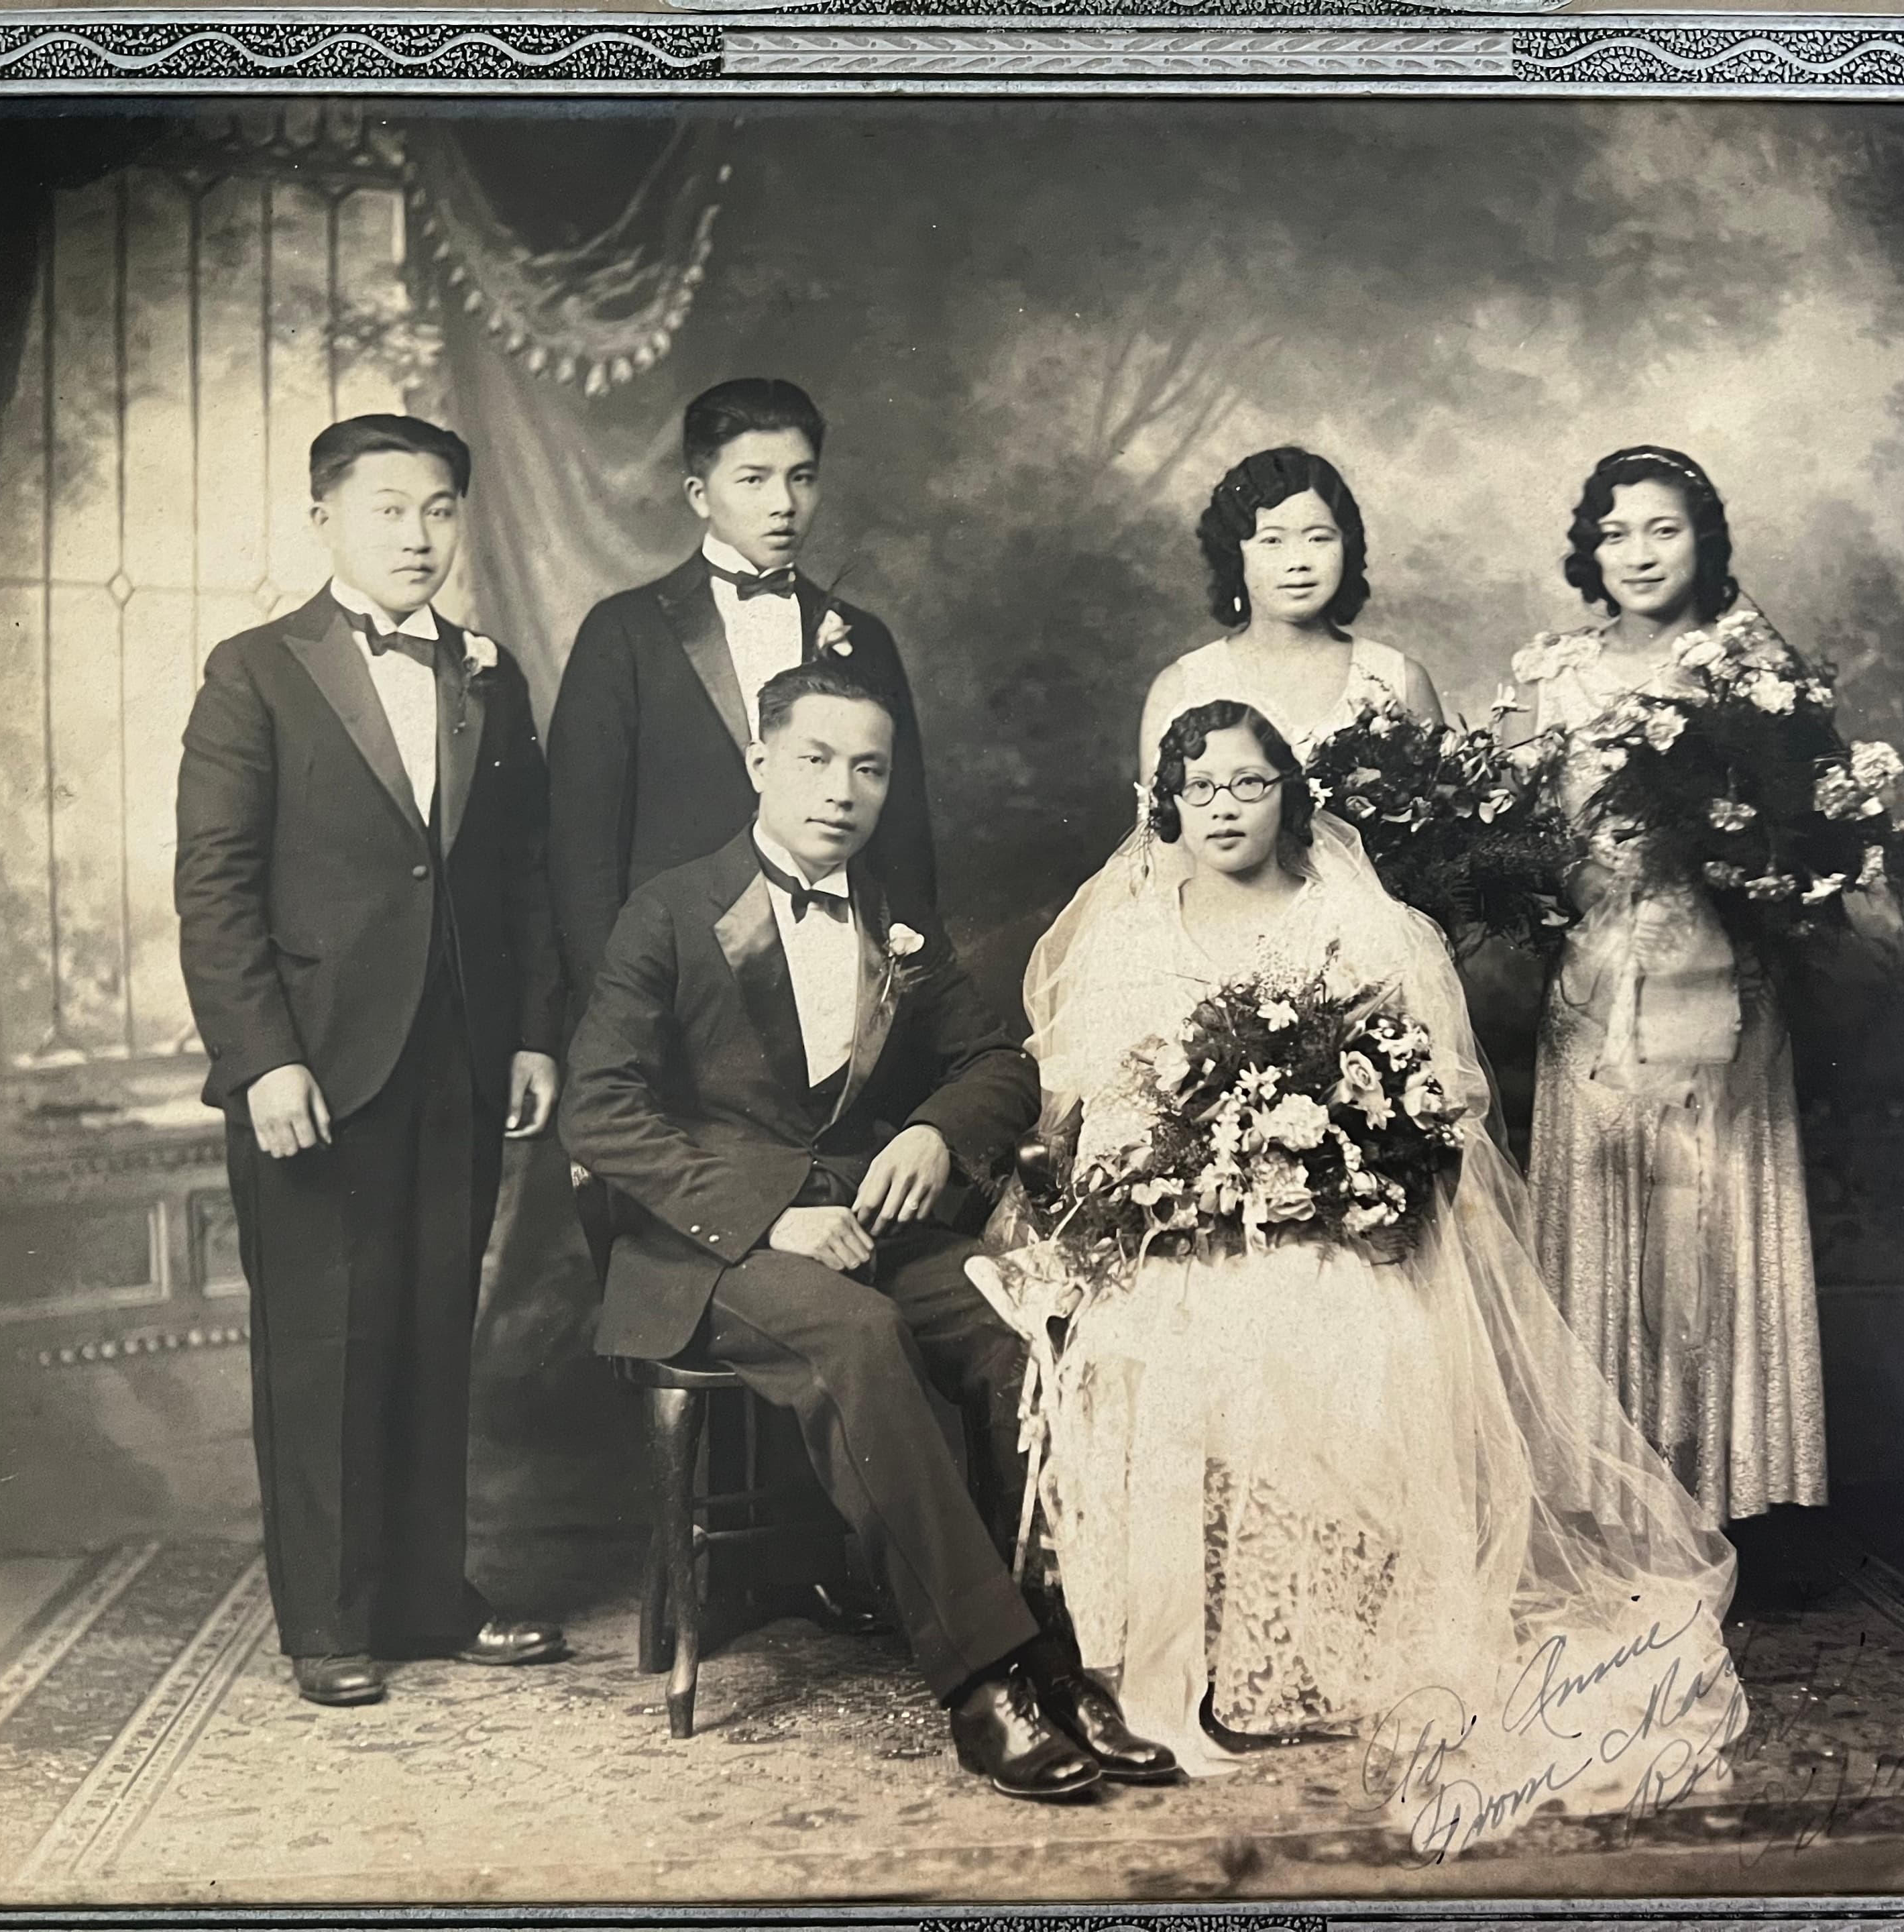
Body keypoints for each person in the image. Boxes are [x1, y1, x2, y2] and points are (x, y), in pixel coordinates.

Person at [989, 699, 1744, 1849]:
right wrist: (1194, 1183)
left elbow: (1435, 1104)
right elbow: (1099, 1112)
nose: (1228, 808)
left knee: (1339, 1314)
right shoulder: (1134, 933)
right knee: (1170, 1331)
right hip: (1181, 1231)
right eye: (1203, 790)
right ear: (1169, 808)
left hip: (1336, 1226)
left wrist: (1335, 1174)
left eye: (1251, 784)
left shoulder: (1360, 923)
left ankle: (1324, 1654)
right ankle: (1180, 1654)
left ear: (1293, 796)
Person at [559, 662, 1178, 1803]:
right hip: (713, 1246)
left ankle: (1063, 1647)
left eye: (869, 767)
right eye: (814, 759)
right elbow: (597, 1106)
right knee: (859, 1338)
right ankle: (988, 1676)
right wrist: (769, 1220)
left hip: (865, 1221)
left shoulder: (893, 917)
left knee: (1020, 1323)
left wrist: (939, 1134)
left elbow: (998, 1060)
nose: (842, 789)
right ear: (759, 763)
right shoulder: (672, 908)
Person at [174, 414, 568, 1707]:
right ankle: (329, 1626)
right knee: (324, 1344)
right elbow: (215, 891)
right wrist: (262, 1061)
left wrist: (527, 1034)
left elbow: (520, 875)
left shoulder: (489, 675)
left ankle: (426, 1597)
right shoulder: (255, 671)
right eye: (390, 507)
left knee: (428, 1336)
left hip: (457, 1058)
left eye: (441, 508)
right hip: (312, 1074)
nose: (418, 534)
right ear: (324, 519)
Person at [545, 376, 928, 1631]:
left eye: (803, 477)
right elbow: (581, 850)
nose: (784, 503)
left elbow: (905, 849)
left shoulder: (857, 635)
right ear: (700, 490)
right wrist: (612, 1031)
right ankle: (715, 1576)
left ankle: (821, 1556)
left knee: (851, 1271)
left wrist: (902, 1010)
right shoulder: (628, 630)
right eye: (757, 479)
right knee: (743, 1258)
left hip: (826, 1022)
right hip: (683, 1028)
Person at [1513, 445, 1868, 1527]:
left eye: (1663, 528)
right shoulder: (1550, 674)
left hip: (1722, 998)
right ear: (1590, 549)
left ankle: (1727, 1496)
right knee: (1608, 1212)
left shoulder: (1752, 670)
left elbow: (1812, 836)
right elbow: (1516, 846)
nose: (1638, 553)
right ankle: (1603, 1507)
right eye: (1616, 532)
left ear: (1703, 539)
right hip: (1593, 991)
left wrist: (1734, 860)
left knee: (1709, 1220)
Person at [1135, 445, 1443, 778]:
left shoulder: (1400, 679)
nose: (1298, 562)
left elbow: (1446, 814)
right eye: (1272, 541)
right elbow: (1155, 827)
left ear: (1347, 546)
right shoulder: (1183, 687)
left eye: (1319, 539)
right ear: (1235, 555)